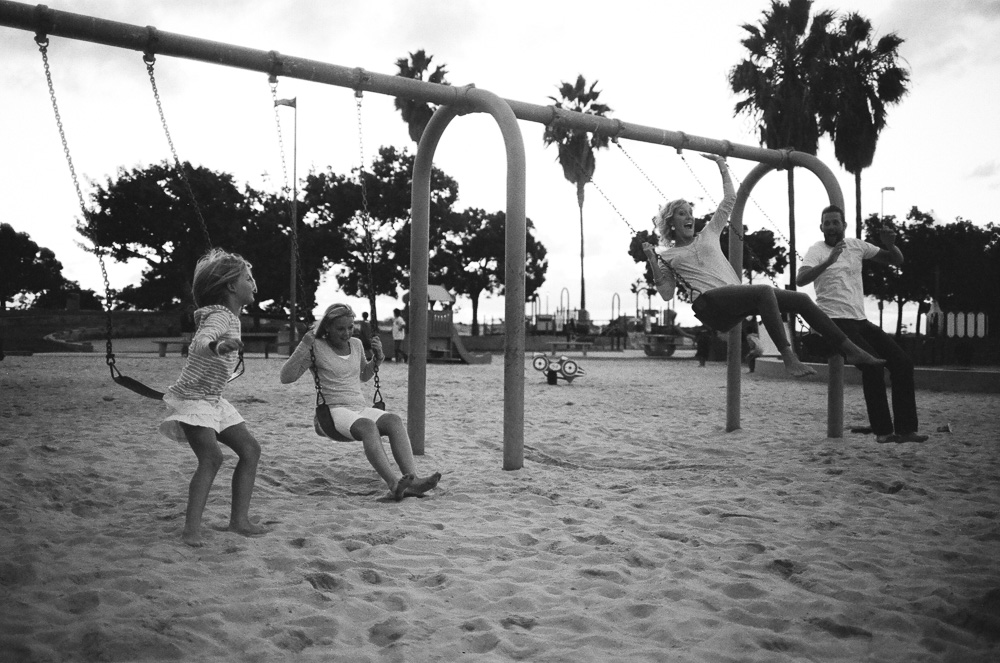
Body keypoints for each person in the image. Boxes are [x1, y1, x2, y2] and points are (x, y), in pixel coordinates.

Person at [642, 153, 885, 378]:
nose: (689, 217)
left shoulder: (708, 233)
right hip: (711, 302)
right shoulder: (669, 256)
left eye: (690, 212)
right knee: (764, 291)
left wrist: (721, 165)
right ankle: (789, 357)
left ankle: (851, 350)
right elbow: (666, 294)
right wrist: (653, 262)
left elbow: (729, 200)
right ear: (671, 222)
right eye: (682, 214)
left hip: (735, 297)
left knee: (800, 300)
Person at [159, 249, 267, 547]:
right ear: (232, 286)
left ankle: (239, 521)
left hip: (213, 399)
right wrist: (217, 347)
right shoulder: (220, 317)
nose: (254, 283)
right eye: (248, 278)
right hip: (194, 400)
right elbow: (199, 342)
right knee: (212, 457)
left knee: (250, 450)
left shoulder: (231, 316)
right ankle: (191, 530)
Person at [280, 303, 440, 500]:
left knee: (394, 420)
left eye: (350, 327)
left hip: (358, 407)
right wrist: (304, 345)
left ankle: (414, 482)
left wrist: (377, 360)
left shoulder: (355, 344)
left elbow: (364, 375)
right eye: (340, 328)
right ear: (327, 327)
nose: (347, 333)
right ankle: (393, 483)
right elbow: (286, 377)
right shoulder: (316, 346)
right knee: (367, 426)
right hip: (332, 412)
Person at [797, 205, 928, 444]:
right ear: (821, 227)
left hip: (859, 319)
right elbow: (800, 278)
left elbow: (896, 260)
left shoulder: (856, 246)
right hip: (833, 320)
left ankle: (906, 429)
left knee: (902, 362)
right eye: (827, 223)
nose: (831, 227)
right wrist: (829, 261)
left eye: (836, 222)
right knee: (873, 365)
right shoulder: (816, 250)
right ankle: (883, 431)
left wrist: (890, 244)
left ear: (844, 225)